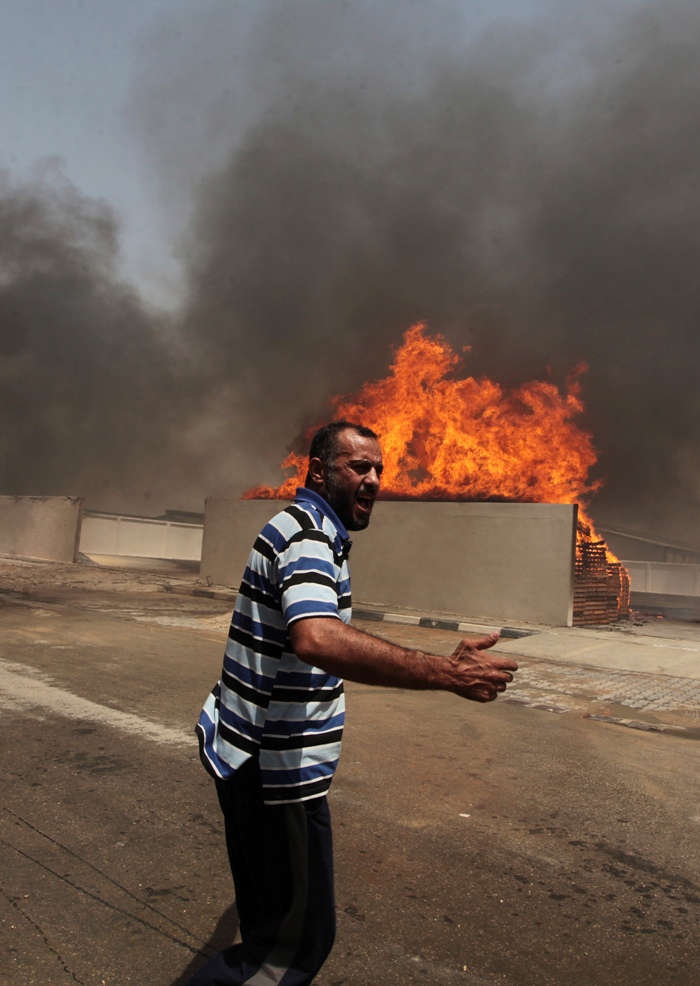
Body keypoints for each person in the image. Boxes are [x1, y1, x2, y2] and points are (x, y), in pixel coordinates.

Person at [189, 420, 518, 986]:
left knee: (273, 929)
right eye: (358, 467)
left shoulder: (307, 529)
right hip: (275, 775)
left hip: (249, 758)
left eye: (378, 470)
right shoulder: (308, 538)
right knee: (289, 952)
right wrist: (445, 671)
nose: (373, 480)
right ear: (318, 471)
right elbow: (317, 637)